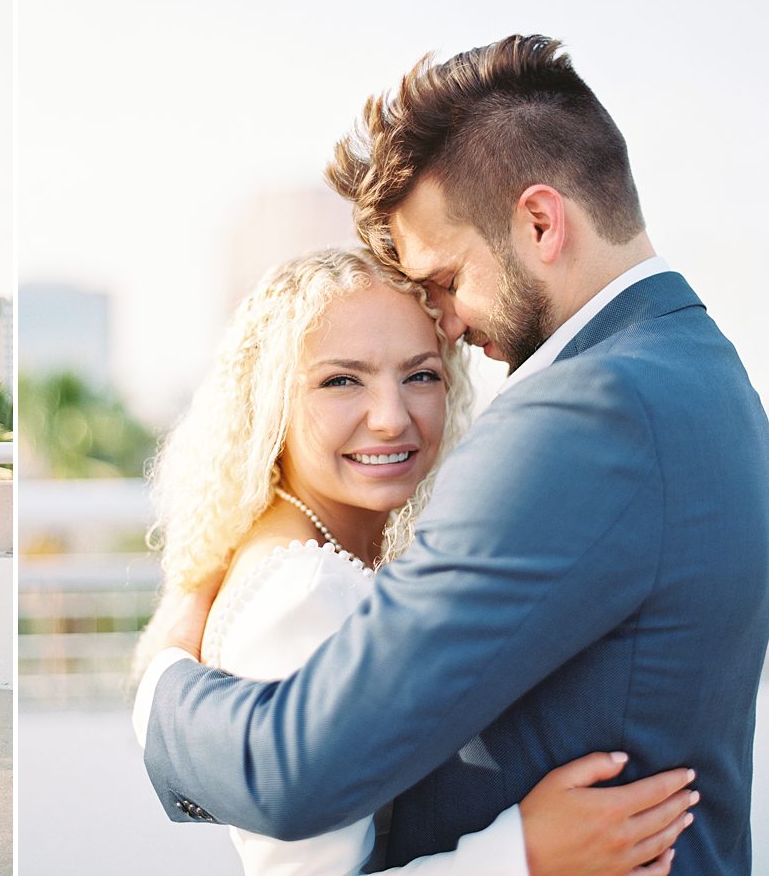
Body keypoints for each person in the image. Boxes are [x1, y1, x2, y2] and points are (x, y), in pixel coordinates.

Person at [136, 35, 769, 874]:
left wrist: (158, 692)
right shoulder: (716, 376)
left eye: (445, 280)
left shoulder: (583, 415)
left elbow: (295, 767)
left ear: (541, 222)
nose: (453, 322)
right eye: (341, 381)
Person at [135, 247, 694, 875]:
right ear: (265, 404)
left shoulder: (332, 555)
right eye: (341, 380)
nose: (390, 417)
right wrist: (526, 855)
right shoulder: (306, 589)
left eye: (420, 375)